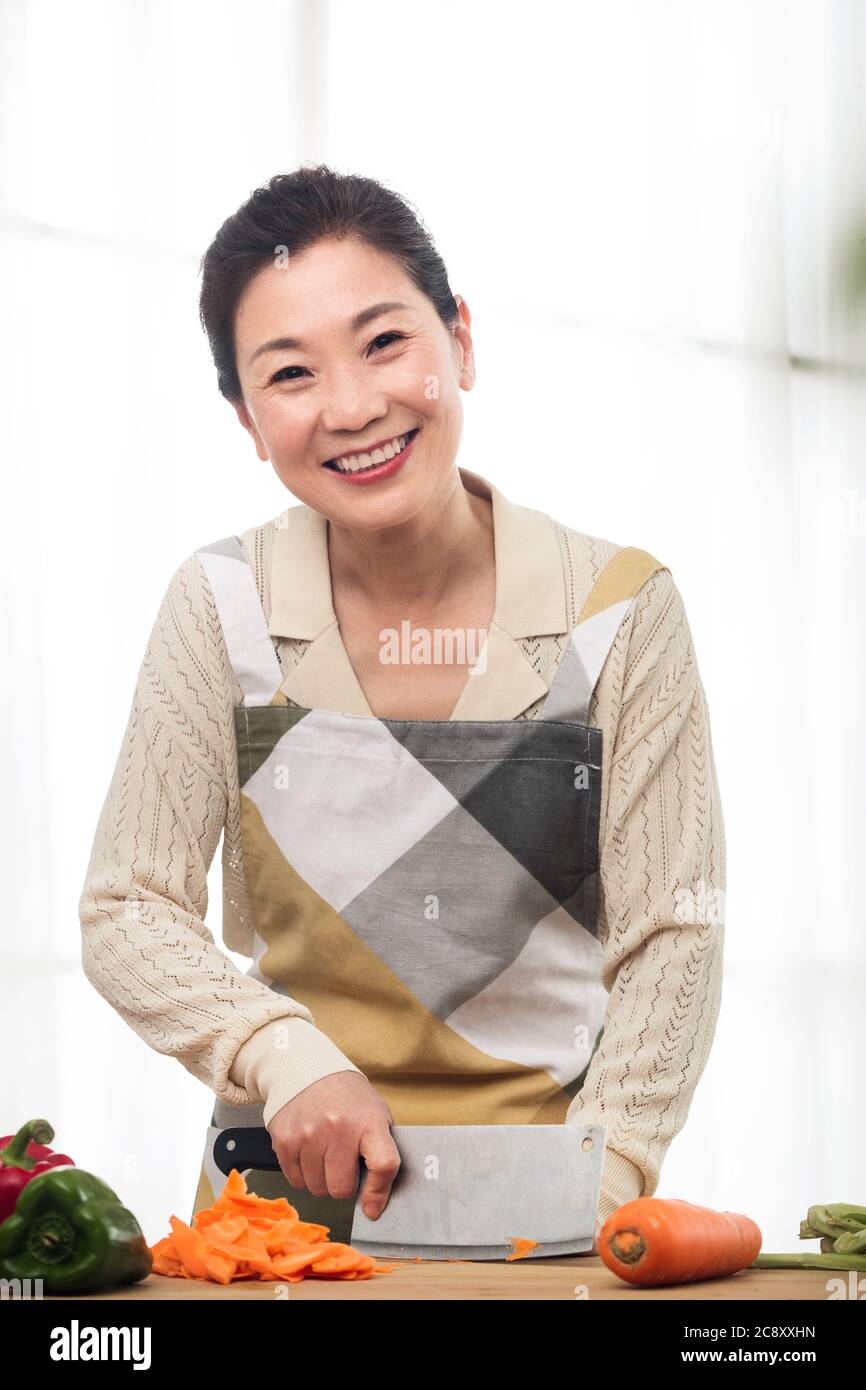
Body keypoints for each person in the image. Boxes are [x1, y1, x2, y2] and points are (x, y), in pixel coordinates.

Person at [79, 164, 725, 1254]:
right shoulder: (220, 608)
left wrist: (603, 1181)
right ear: (246, 418)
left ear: (459, 342)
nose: (351, 407)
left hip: (554, 1211)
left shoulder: (615, 612)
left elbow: (673, 931)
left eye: (385, 343)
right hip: (278, 1218)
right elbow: (125, 905)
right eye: (290, 374)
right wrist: (287, 1056)